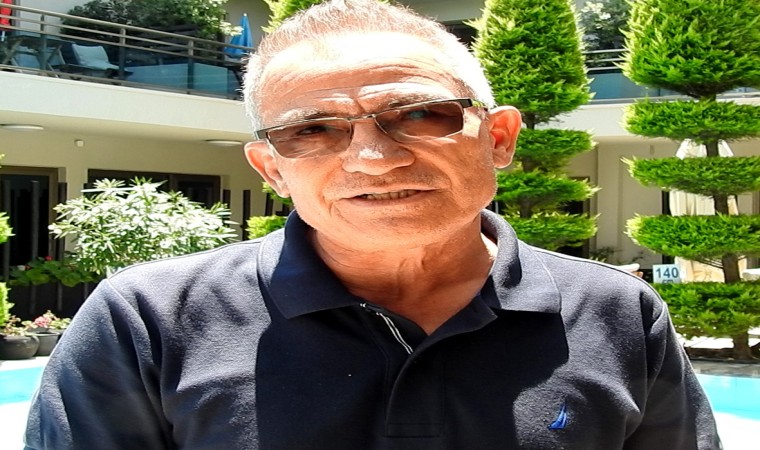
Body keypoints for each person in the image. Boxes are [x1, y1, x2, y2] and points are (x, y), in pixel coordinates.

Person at [25, 0, 721, 448]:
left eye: (419, 114)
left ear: (499, 138)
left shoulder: (618, 313)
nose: (375, 158)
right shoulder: (147, 320)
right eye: (312, 129)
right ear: (272, 169)